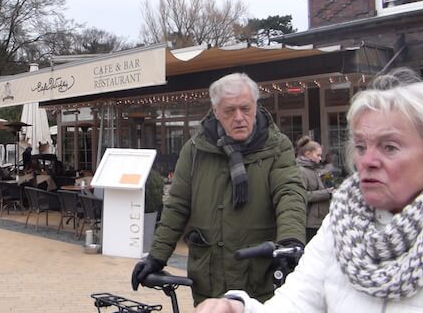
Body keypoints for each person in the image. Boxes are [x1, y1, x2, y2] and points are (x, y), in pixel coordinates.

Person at [194, 67, 423, 313]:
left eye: (390, 147)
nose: (367, 161)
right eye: (362, 147)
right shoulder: (342, 224)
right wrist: (240, 308)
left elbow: (290, 194)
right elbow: (295, 303)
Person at [131, 72, 307, 306]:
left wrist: (290, 242)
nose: (239, 117)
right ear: (215, 111)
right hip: (210, 279)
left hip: (259, 280)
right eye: (229, 111)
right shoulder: (195, 150)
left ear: (255, 106)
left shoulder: (277, 146)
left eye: (245, 108)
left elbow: (289, 193)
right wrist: (155, 257)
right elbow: (177, 207)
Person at [295, 136, 333, 242]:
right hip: (309, 222)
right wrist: (327, 193)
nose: (320, 159)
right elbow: (302, 195)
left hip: (316, 220)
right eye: (318, 155)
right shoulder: (301, 171)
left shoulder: (312, 170)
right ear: (308, 154)